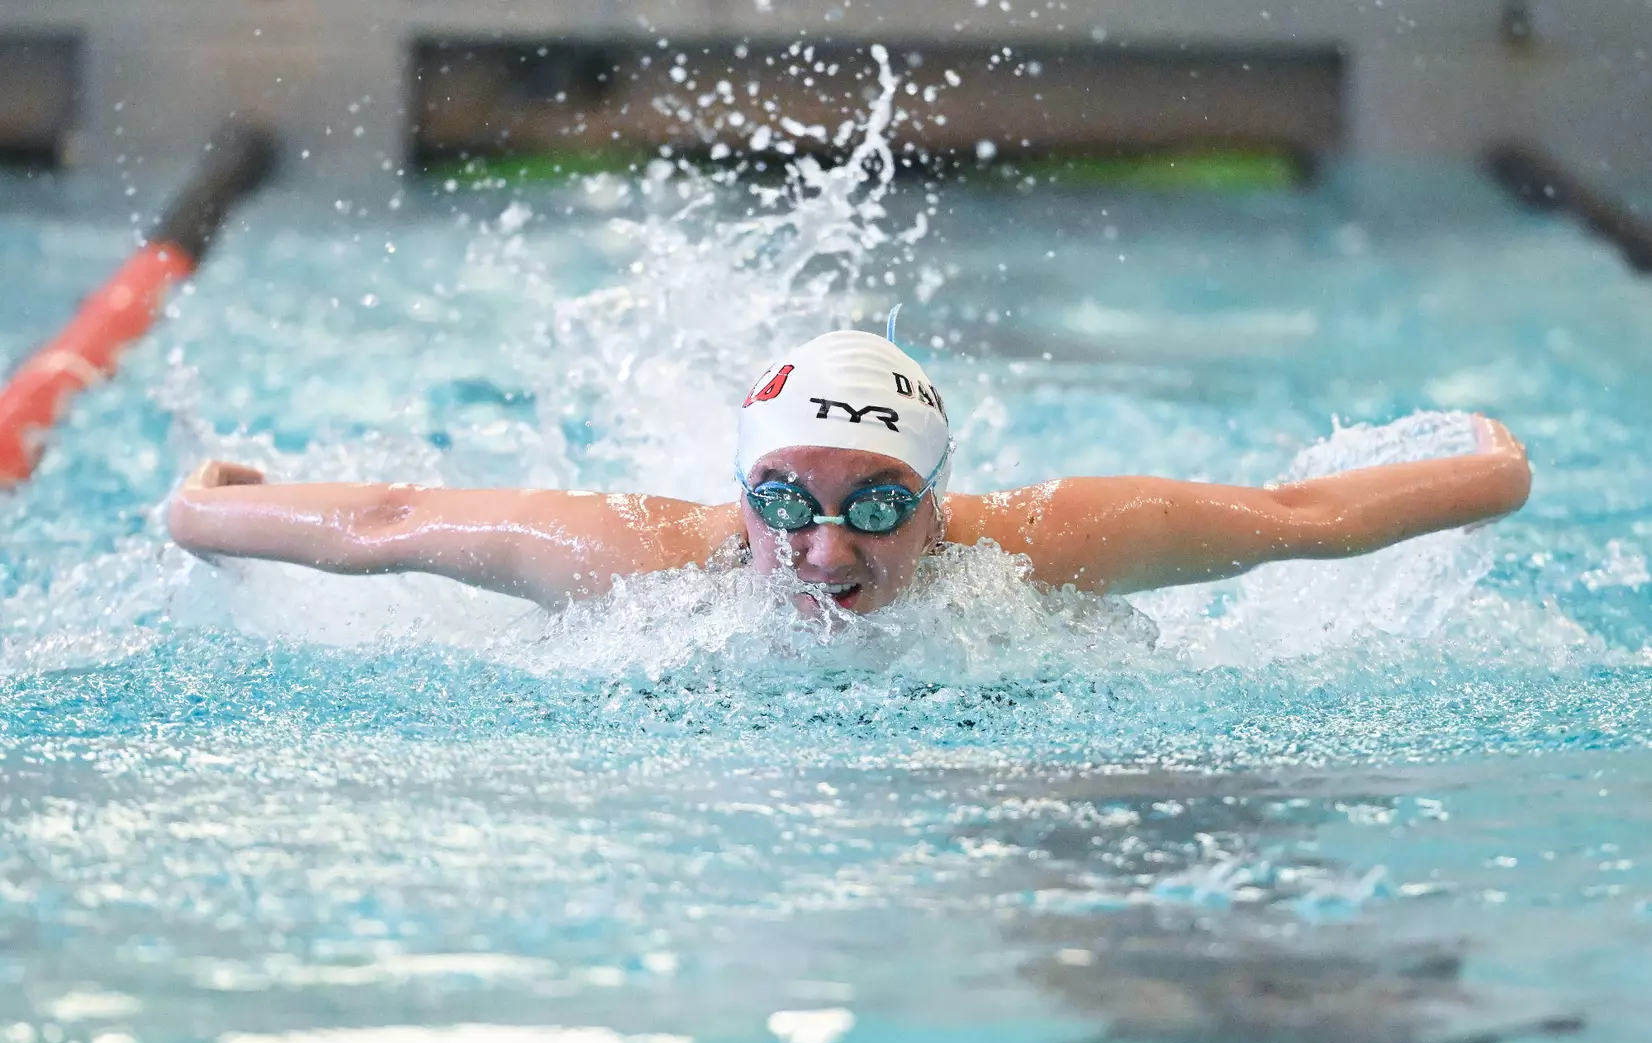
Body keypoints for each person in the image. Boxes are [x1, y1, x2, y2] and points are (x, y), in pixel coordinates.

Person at [167, 329, 1531, 615]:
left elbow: (1302, 523)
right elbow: (392, 525)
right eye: (787, 506)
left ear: (938, 505)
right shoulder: (638, 556)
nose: (825, 555)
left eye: (877, 507)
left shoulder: (1045, 546)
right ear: (742, 498)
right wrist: (203, 508)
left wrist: (1496, 474)